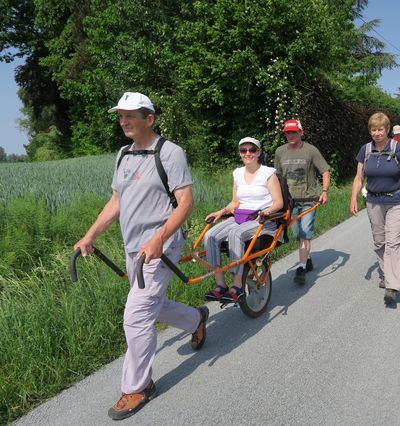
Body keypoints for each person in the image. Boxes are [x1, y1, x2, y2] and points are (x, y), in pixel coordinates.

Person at [73, 92, 208, 420]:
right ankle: (195, 319)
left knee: (135, 315)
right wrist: (90, 235)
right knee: (153, 305)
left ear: (150, 118)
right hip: (135, 249)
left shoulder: (170, 153)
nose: (123, 121)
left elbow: (186, 202)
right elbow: (117, 201)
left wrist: (160, 238)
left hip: (161, 247)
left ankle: (138, 386)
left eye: (130, 115)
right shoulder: (123, 155)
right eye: (121, 115)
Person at [350, 112, 400, 304]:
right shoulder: (365, 150)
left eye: (381, 129)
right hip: (373, 202)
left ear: (387, 130)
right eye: (373, 129)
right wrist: (353, 198)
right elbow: (358, 177)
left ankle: (392, 286)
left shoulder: (397, 149)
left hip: (397, 200)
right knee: (380, 242)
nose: (377, 133)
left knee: (393, 242)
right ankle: (386, 272)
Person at [203, 137, 283, 301]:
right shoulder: (237, 173)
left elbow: (279, 202)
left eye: (252, 150)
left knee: (236, 234)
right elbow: (235, 202)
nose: (248, 153)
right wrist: (220, 212)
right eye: (243, 150)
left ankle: (237, 286)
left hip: (262, 220)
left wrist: (266, 212)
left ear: (259, 152)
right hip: (240, 216)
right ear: (240, 153)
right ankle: (220, 284)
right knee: (209, 235)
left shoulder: (268, 174)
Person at [274, 119, 330, 285]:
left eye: (293, 132)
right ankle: (307, 258)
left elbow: (325, 171)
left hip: (309, 200)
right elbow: (277, 177)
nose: (290, 135)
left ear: (301, 133)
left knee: (305, 232)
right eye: (287, 133)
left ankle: (301, 268)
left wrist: (324, 191)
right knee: (298, 234)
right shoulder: (279, 152)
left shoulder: (310, 151)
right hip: (289, 202)